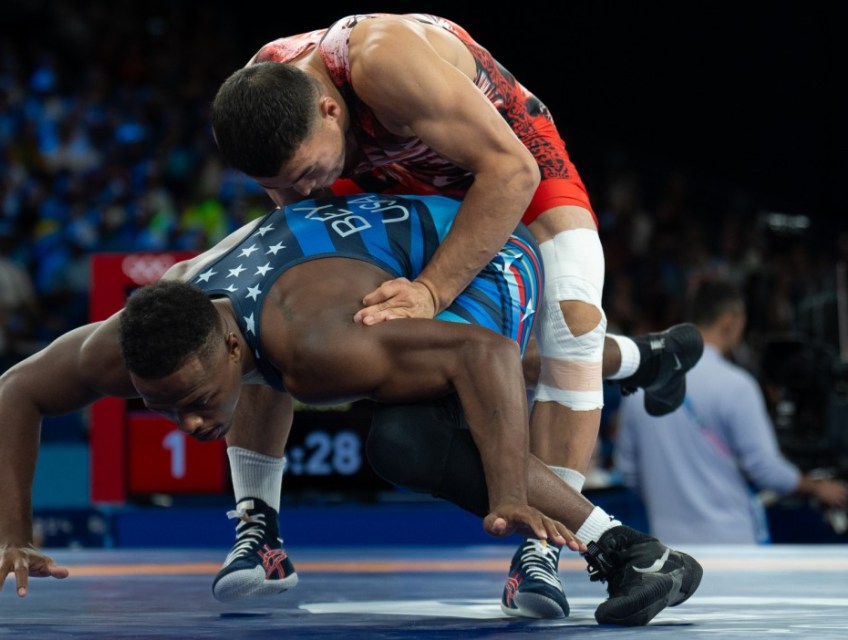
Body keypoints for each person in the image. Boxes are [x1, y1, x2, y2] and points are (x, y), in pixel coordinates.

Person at [0, 193, 702, 626]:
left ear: (225, 346)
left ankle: (633, 552)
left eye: (193, 404)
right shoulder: (133, 342)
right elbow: (12, 392)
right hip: (331, 261)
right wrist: (12, 533)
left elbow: (488, 358)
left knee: (412, 439)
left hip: (471, 249)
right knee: (385, 373)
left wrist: (509, 489)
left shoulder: (318, 347)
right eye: (163, 411)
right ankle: (645, 357)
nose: (188, 428)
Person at [209, 12, 701, 618]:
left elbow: (512, 171)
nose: (305, 191)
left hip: (501, 159)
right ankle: (259, 529)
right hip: (381, 179)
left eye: (307, 173)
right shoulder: (268, 98)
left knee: (571, 322)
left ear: (329, 110)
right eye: (286, 183)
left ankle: (541, 550)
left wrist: (433, 291)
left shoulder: (383, 63)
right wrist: (311, 208)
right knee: (277, 304)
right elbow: (300, 202)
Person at [615, 278, 848, 544]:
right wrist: (816, 487)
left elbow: (628, 471)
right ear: (729, 320)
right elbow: (764, 468)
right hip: (732, 547)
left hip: (667, 547)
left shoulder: (642, 386)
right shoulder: (737, 386)